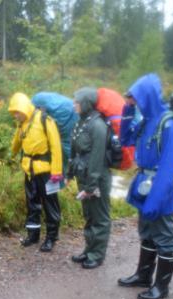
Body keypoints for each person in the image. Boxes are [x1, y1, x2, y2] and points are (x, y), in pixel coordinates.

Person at [117, 73, 173, 299]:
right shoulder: (146, 120)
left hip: (160, 189)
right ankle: (143, 276)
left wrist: (156, 198)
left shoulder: (168, 122)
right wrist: (126, 112)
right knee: (147, 232)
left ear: (147, 97)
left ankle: (161, 287)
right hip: (144, 184)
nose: (132, 101)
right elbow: (125, 140)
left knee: (165, 236)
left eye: (134, 98)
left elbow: (169, 164)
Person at [9, 92, 63, 252]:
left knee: (50, 205)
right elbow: (16, 143)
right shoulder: (22, 124)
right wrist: (10, 154)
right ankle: (33, 235)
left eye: (17, 112)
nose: (15, 115)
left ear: (24, 108)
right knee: (32, 203)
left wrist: (56, 171)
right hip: (29, 170)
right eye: (14, 113)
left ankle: (51, 238)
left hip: (46, 172)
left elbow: (56, 147)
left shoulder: (44, 119)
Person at [67, 87, 112, 269]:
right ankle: (89, 250)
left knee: (99, 217)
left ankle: (97, 254)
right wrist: (69, 173)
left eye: (76, 101)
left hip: (97, 179)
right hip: (83, 175)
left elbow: (97, 158)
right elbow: (74, 150)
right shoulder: (81, 122)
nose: (74, 105)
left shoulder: (98, 125)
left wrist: (91, 185)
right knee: (89, 215)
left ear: (85, 103)